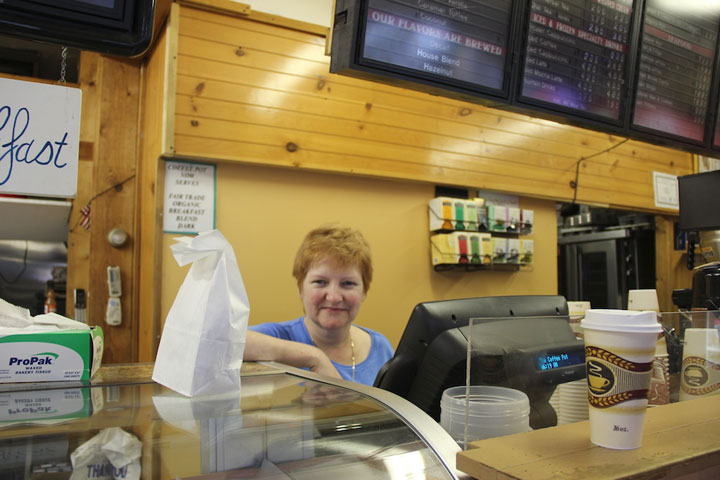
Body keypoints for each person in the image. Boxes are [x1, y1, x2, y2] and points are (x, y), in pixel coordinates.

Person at [244, 224, 394, 385]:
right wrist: (314, 357)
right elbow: (223, 343)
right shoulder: (276, 336)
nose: (334, 297)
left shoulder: (381, 348)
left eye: (348, 283)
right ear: (300, 288)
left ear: (364, 290)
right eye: (320, 282)